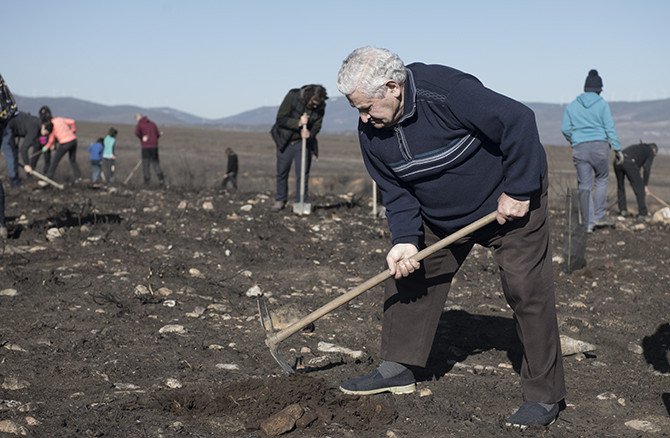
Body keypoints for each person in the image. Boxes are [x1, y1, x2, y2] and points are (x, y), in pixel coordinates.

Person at [335, 47, 565, 429]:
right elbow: (395, 191)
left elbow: (519, 120)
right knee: (407, 270)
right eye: (356, 109)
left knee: (527, 289)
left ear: (393, 87)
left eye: (366, 107)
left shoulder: (447, 93)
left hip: (507, 203)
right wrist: (406, 239)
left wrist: (521, 189)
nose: (362, 118)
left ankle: (544, 397)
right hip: (440, 217)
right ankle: (398, 367)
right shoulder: (372, 132)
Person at [561, 69, 622, 232]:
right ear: (599, 89)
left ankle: (588, 224)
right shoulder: (602, 104)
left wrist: (574, 140)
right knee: (601, 179)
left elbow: (565, 128)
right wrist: (617, 148)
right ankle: (599, 215)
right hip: (600, 147)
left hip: (580, 148)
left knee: (584, 185)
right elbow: (610, 127)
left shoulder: (573, 105)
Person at [270, 84, 327, 210]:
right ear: (308, 97)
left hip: (303, 142)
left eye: (318, 103)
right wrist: (298, 123)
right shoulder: (293, 96)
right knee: (282, 172)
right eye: (314, 102)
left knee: (302, 174)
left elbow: (317, 126)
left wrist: (310, 134)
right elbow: (281, 119)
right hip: (284, 140)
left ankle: (300, 202)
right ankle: (280, 200)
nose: (316, 106)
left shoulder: (321, 106)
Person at [614, 142, 658, 217]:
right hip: (628, 161)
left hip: (617, 160)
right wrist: (645, 185)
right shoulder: (650, 151)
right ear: (654, 150)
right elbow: (647, 168)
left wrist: (634, 181)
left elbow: (635, 169)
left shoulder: (638, 148)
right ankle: (643, 213)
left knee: (620, 186)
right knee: (640, 188)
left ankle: (623, 210)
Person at [39, 105, 82, 182]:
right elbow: (72, 121)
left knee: (55, 160)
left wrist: (45, 148)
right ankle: (79, 177)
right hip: (73, 140)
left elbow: (51, 140)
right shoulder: (59, 119)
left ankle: (49, 177)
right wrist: (73, 130)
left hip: (65, 143)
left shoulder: (50, 126)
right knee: (72, 160)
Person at [0, 73, 21, 188]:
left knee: (10, 153)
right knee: (10, 153)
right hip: (5, 117)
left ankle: (14, 180)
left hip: (4, 118)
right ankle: (15, 180)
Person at [134, 113, 165, 185]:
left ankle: (147, 181)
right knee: (155, 163)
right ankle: (161, 179)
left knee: (146, 164)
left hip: (145, 147)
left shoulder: (140, 125)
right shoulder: (152, 124)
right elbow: (157, 134)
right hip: (154, 146)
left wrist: (142, 137)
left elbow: (136, 133)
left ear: (137, 118)